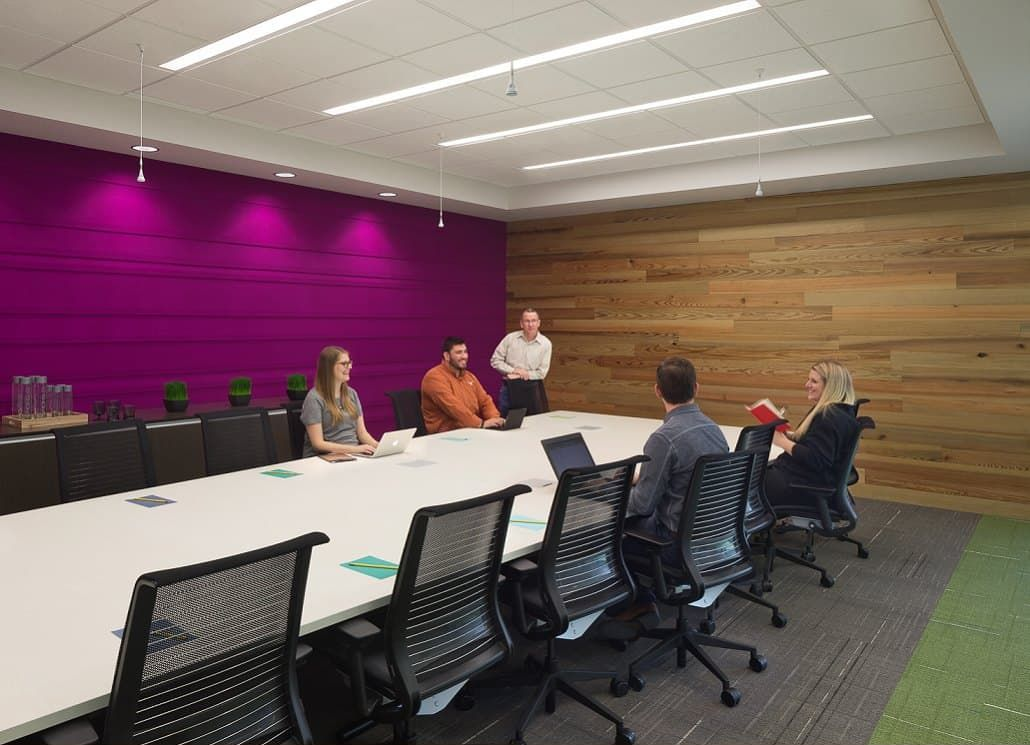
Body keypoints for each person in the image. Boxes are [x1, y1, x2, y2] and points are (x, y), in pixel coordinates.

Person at [606, 357, 729, 634]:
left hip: (675, 543)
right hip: (713, 537)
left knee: (608, 535)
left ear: (657, 391)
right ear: (696, 387)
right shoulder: (714, 429)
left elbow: (643, 505)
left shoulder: (664, 437)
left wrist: (611, 497)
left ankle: (637, 602)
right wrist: (644, 477)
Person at [765, 360, 859, 512]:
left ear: (830, 386)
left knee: (745, 481)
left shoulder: (828, 417)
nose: (807, 385)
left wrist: (782, 442)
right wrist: (790, 436)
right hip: (811, 480)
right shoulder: (840, 412)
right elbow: (816, 443)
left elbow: (816, 459)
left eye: (814, 381)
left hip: (803, 486)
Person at [301, 346, 379, 457]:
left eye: (350, 363)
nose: (350, 367)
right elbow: (318, 444)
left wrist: (379, 446)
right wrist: (355, 449)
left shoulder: (351, 394)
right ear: (329, 367)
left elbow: (362, 434)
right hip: (327, 457)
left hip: (353, 454)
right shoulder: (314, 398)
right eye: (344, 364)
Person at [421, 336, 505, 434]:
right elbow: (454, 408)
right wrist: (480, 424)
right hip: (446, 435)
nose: (464, 356)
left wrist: (494, 419)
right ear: (447, 356)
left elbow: (485, 401)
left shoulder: (469, 376)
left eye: (465, 352)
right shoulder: (434, 377)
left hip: (471, 430)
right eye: (458, 352)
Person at [490, 308, 552, 415]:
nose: (530, 324)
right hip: (509, 388)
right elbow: (495, 360)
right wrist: (515, 370)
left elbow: (542, 373)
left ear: (538, 323)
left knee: (532, 424)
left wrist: (520, 374)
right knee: (506, 422)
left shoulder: (546, 344)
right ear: (521, 324)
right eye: (527, 321)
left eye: (533, 321)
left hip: (531, 389)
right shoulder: (510, 338)